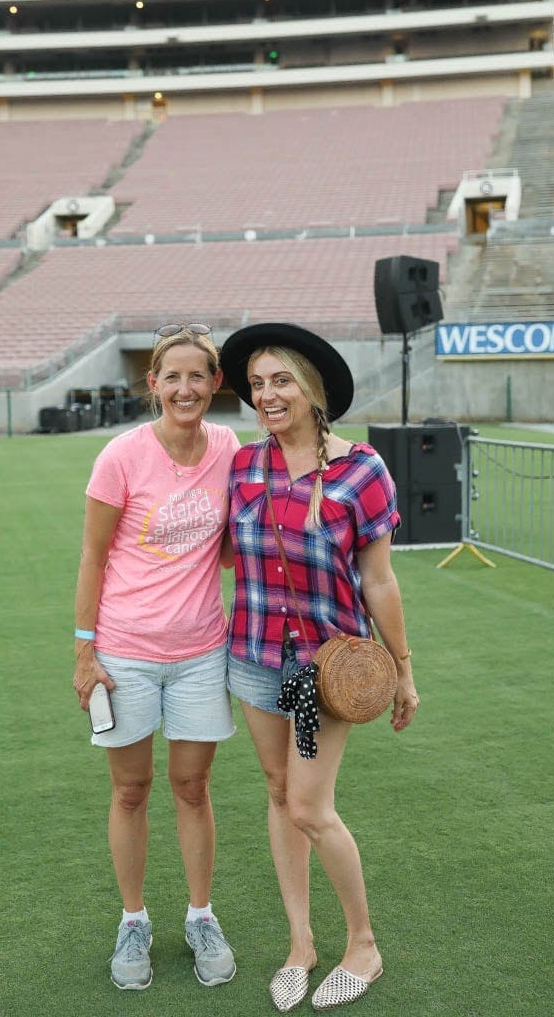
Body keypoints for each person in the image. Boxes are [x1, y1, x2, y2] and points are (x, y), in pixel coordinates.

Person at [219, 322, 420, 1013]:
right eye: (256, 385)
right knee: (279, 792)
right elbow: (221, 554)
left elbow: (380, 582)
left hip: (326, 673)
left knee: (309, 805)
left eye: (280, 381)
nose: (266, 396)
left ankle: (362, 943)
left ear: (312, 389)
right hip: (250, 656)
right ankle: (301, 943)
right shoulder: (244, 466)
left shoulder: (362, 468)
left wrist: (404, 669)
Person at [72, 323, 241, 991]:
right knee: (131, 789)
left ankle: (201, 915)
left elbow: (230, 540)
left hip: (202, 652)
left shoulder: (229, 448)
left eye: (198, 375)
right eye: (172, 376)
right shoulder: (120, 456)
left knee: (192, 788)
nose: (185, 387)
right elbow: (91, 555)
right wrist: (85, 653)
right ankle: (133, 921)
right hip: (125, 653)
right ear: (153, 384)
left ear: (215, 383)